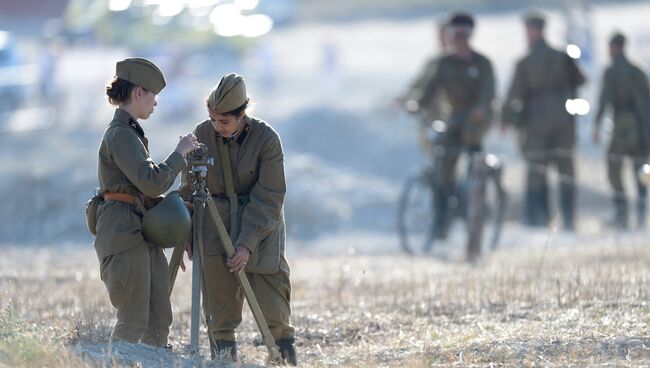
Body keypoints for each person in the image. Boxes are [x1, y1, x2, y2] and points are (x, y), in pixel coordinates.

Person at [179, 73, 297, 365]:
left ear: (242, 114)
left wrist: (246, 244)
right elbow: (188, 190)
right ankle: (223, 361)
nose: (217, 127)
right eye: (213, 119)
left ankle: (282, 359)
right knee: (219, 311)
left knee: (273, 307)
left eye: (225, 122)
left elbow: (270, 196)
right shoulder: (202, 135)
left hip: (260, 231)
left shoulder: (266, 139)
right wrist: (188, 232)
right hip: (214, 230)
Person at [94, 57, 199, 346]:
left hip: (140, 231)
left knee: (158, 318)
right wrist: (180, 153)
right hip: (123, 234)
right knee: (133, 318)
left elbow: (146, 189)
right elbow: (151, 182)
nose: (155, 103)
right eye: (153, 96)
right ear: (138, 93)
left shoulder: (131, 133)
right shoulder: (120, 136)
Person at [415, 12, 496, 250]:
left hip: (477, 118)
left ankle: (475, 200)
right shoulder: (444, 63)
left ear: (470, 36)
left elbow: (489, 92)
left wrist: (481, 107)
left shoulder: (482, 63)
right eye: (454, 34)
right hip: (455, 117)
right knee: (443, 163)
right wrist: (416, 104)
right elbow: (430, 88)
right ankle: (444, 215)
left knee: (472, 148)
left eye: (462, 34)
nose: (458, 39)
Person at [502, 11, 586, 230]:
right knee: (565, 169)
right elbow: (580, 80)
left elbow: (514, 94)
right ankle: (568, 220)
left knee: (537, 170)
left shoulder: (526, 61)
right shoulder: (562, 55)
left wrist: (506, 118)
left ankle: (540, 219)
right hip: (563, 119)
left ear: (534, 30)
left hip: (537, 121)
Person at [593, 32, 650, 229]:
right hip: (640, 129)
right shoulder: (638, 70)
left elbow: (604, 100)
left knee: (614, 169)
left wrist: (597, 126)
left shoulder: (611, 72)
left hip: (621, 127)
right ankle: (641, 215)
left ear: (616, 47)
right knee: (641, 172)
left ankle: (622, 214)